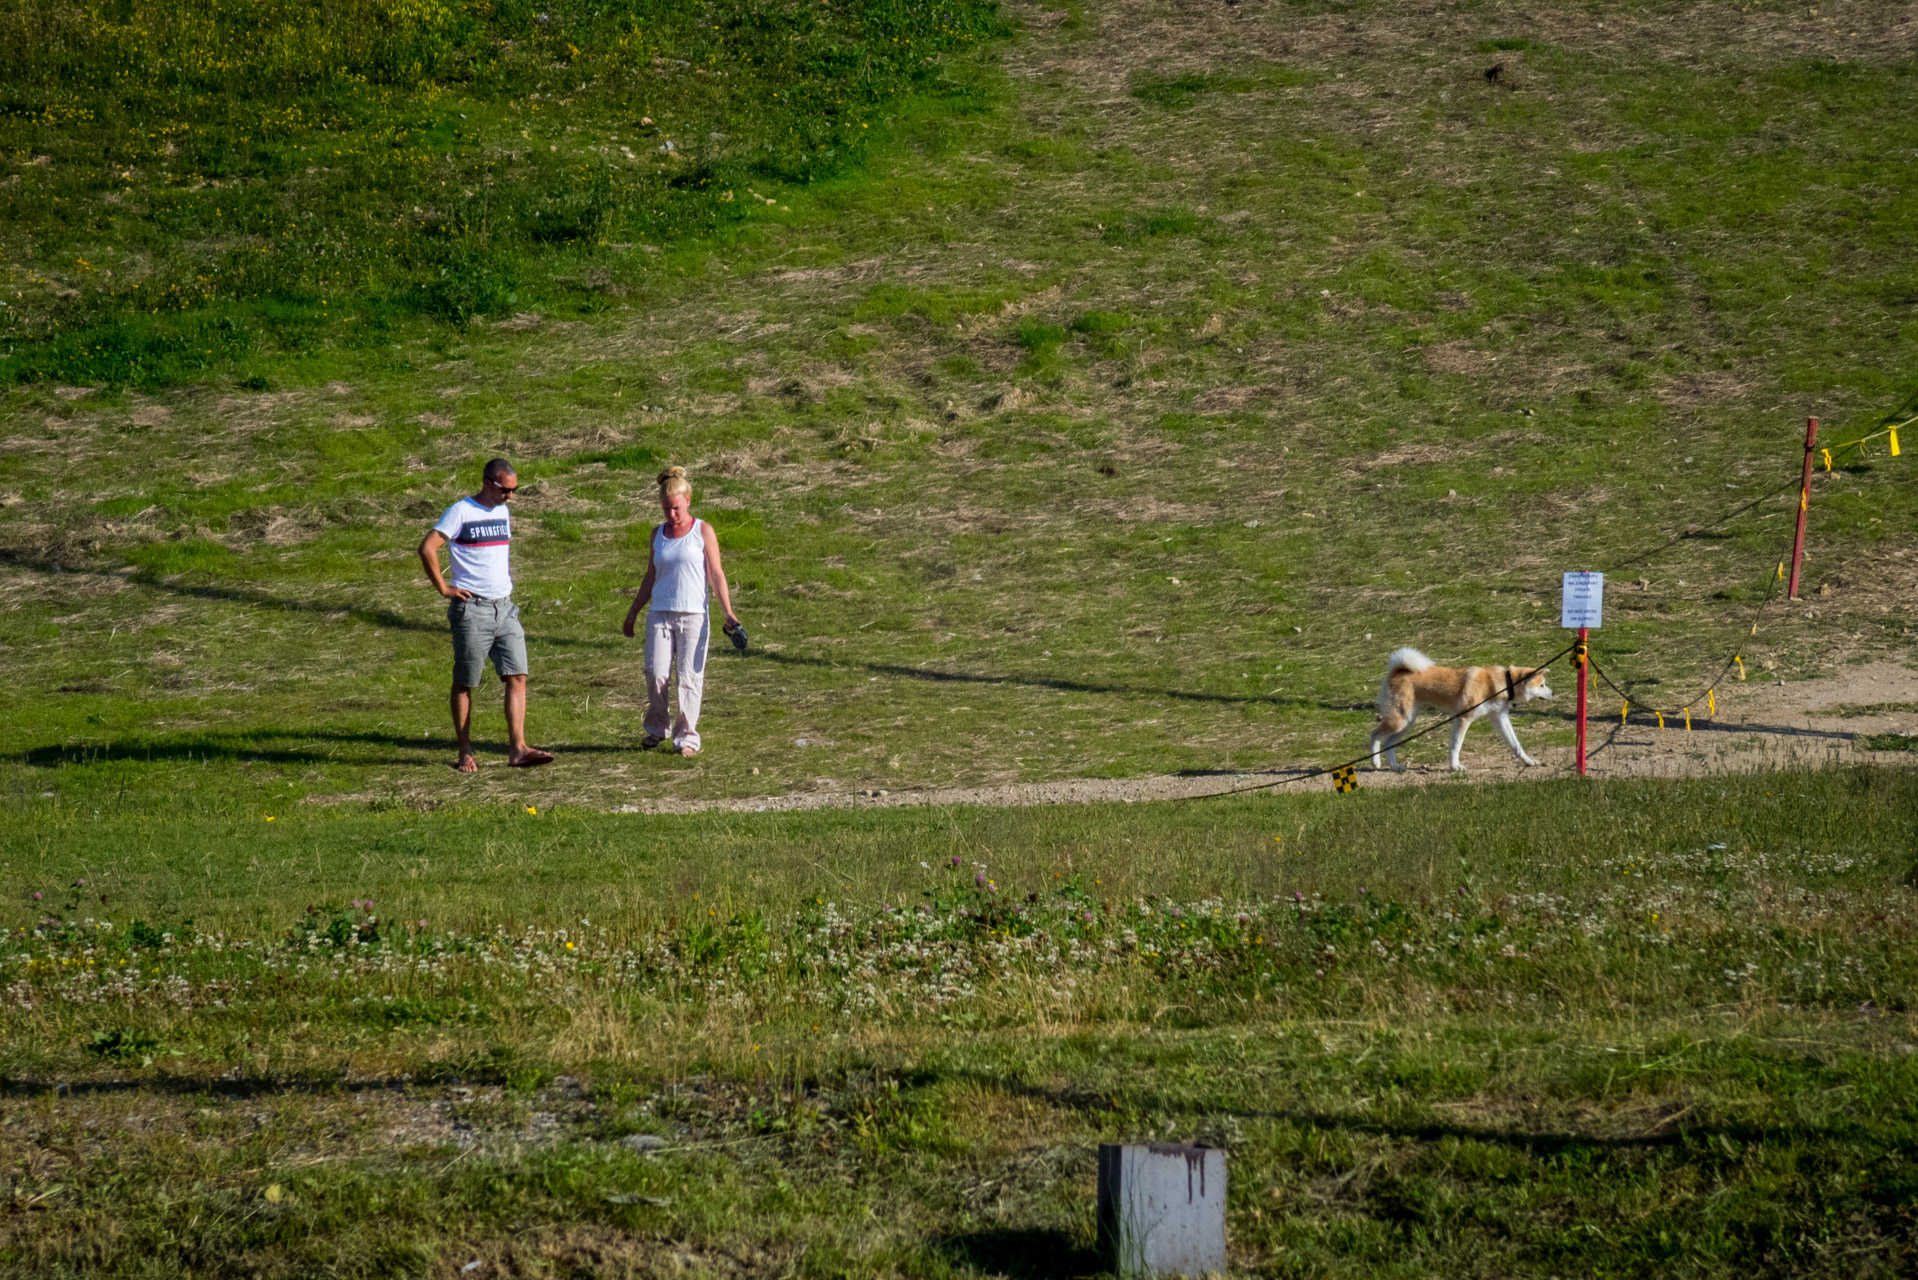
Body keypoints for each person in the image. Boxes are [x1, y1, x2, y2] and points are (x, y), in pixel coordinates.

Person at [418, 458, 554, 772]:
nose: (511, 496)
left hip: (504, 607)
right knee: (466, 682)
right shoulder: (460, 512)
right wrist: (444, 588)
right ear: (488, 482)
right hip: (471, 609)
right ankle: (464, 749)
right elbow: (427, 547)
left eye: (514, 490)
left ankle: (518, 749)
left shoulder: (503, 512)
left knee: (518, 675)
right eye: (506, 490)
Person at [621, 466, 741, 757]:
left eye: (675, 508)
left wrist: (728, 613)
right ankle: (656, 728)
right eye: (666, 509)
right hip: (660, 614)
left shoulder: (703, 531)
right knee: (655, 672)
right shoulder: (657, 535)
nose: (671, 515)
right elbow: (650, 576)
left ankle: (687, 738)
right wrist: (633, 612)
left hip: (693, 616)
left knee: (689, 676)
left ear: (687, 500)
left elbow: (716, 573)